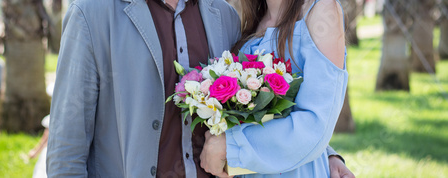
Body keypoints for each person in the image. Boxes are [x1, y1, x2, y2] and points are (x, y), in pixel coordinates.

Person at [46, 0, 353, 177]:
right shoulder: (92, 13)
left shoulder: (224, 16)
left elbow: (302, 109)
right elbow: (66, 150)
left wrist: (326, 155)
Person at [199, 0, 354, 177]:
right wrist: (328, 153)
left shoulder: (322, 9)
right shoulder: (252, 19)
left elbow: (316, 124)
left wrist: (232, 147)